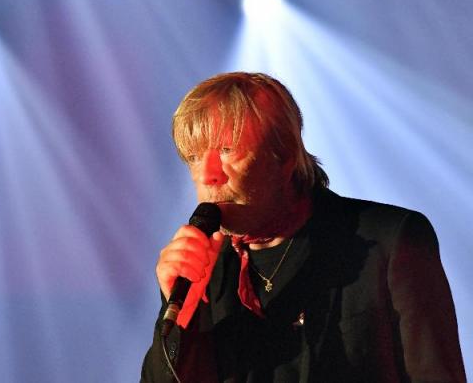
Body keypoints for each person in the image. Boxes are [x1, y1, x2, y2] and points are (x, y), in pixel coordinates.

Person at [140, 72, 466, 382]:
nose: (207, 174)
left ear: (283, 156)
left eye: (226, 150)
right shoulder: (204, 269)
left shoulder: (389, 239)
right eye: (194, 157)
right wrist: (183, 313)